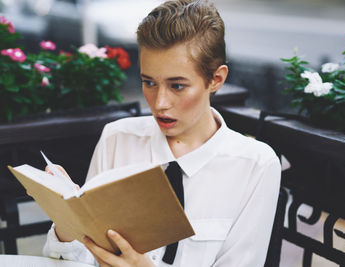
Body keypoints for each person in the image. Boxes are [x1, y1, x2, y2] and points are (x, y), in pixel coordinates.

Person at [42, 0, 281, 266]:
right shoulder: (117, 138)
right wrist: (67, 224)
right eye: (149, 83)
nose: (159, 103)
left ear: (216, 79)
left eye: (177, 86)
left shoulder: (256, 165)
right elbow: (81, 259)